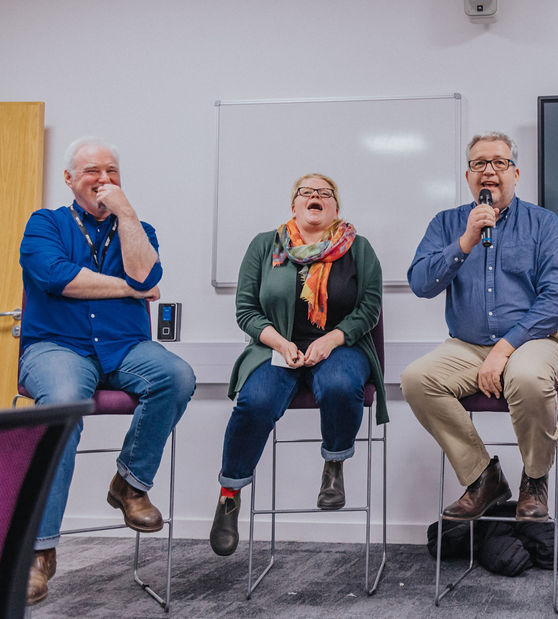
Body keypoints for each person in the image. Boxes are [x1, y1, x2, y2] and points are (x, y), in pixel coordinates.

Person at [18, 137, 196, 606]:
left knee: (176, 376)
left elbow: (147, 275)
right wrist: (131, 290)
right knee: (60, 408)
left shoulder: (136, 226)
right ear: (69, 179)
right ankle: (38, 553)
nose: (103, 179)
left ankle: (130, 485)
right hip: (57, 348)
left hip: (123, 348)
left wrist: (128, 215)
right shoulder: (44, 225)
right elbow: (60, 278)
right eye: (92, 170)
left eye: (112, 171)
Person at [208, 173, 385, 557]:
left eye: (325, 193)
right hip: (277, 348)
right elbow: (246, 310)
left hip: (339, 345)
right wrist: (279, 341)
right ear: (294, 205)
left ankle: (334, 467)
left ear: (336, 207)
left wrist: (331, 339)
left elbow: (369, 309)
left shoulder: (359, 248)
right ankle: (229, 496)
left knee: (339, 386)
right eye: (307, 192)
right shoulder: (263, 246)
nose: (315, 197)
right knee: (254, 403)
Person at [402, 131, 558, 522]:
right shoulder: (447, 224)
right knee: (416, 379)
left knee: (527, 379)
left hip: (534, 339)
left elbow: (556, 300)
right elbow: (420, 284)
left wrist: (504, 349)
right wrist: (464, 242)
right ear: (468, 177)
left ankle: (534, 479)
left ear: (515, 172)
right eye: (480, 164)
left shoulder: (544, 224)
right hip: (465, 344)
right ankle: (483, 477)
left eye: (499, 163)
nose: (489, 172)